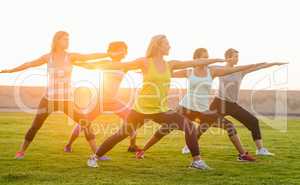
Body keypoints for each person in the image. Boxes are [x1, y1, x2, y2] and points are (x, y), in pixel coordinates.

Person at [85, 35, 226, 169]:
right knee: (121, 134)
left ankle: (197, 162)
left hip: (161, 110)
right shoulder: (144, 62)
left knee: (189, 126)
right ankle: (94, 157)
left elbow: (195, 62)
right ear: (158, 46)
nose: (170, 46)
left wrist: (215, 60)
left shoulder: (170, 64)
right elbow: (119, 65)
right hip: (141, 109)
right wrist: (90, 66)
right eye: (166, 44)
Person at [138, 48, 286, 161]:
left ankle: (242, 155)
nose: (206, 60)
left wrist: (262, 64)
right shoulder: (189, 71)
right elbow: (167, 73)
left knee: (229, 126)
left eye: (207, 57)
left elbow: (235, 69)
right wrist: (146, 73)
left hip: (203, 110)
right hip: (186, 107)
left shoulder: (213, 71)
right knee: (166, 129)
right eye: (204, 57)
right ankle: (142, 150)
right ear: (196, 59)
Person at [0, 31, 115, 159]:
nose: (68, 42)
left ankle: (98, 154)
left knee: (85, 123)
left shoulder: (71, 56)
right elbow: (29, 64)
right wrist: (11, 71)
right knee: (35, 126)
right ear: (57, 41)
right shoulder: (47, 57)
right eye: (65, 39)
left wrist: (108, 54)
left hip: (66, 100)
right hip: (48, 99)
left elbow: (88, 56)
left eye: (68, 39)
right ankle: (21, 152)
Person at [64, 41, 139, 155]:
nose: (123, 52)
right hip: (99, 100)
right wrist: (74, 62)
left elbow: (140, 66)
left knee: (132, 119)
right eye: (120, 49)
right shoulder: (105, 63)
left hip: (114, 101)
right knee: (83, 122)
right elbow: (88, 65)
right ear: (112, 51)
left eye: (124, 49)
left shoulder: (125, 66)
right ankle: (68, 145)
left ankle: (132, 146)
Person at [208, 48, 287, 156]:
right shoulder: (219, 69)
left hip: (232, 104)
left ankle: (260, 150)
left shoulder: (241, 70)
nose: (237, 59)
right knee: (205, 122)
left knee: (253, 121)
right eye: (235, 56)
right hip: (219, 103)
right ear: (228, 57)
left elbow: (257, 67)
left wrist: (274, 63)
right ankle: (189, 145)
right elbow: (204, 68)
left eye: (237, 56)